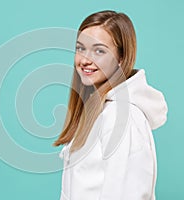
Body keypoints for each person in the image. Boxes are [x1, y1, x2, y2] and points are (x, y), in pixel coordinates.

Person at [53, 10, 168, 200]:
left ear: (121, 58)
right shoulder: (99, 110)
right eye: (80, 48)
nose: (84, 60)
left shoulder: (121, 118)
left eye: (99, 51)